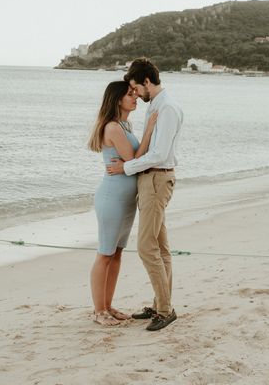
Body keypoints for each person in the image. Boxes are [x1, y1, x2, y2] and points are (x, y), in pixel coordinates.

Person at [107, 57, 183, 331]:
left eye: (136, 88)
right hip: (153, 180)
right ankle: (160, 303)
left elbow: (159, 154)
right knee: (160, 248)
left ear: (147, 82)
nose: (135, 93)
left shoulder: (168, 109)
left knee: (146, 247)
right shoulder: (160, 107)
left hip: (156, 180)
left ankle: (165, 309)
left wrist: (127, 167)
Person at [88, 80, 158, 326]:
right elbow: (133, 160)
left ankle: (108, 306)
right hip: (112, 199)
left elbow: (129, 165)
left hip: (126, 200)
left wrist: (128, 165)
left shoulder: (124, 125)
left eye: (135, 93)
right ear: (118, 99)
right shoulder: (113, 128)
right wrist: (149, 130)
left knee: (117, 254)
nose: (135, 97)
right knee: (105, 254)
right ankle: (99, 311)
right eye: (130, 94)